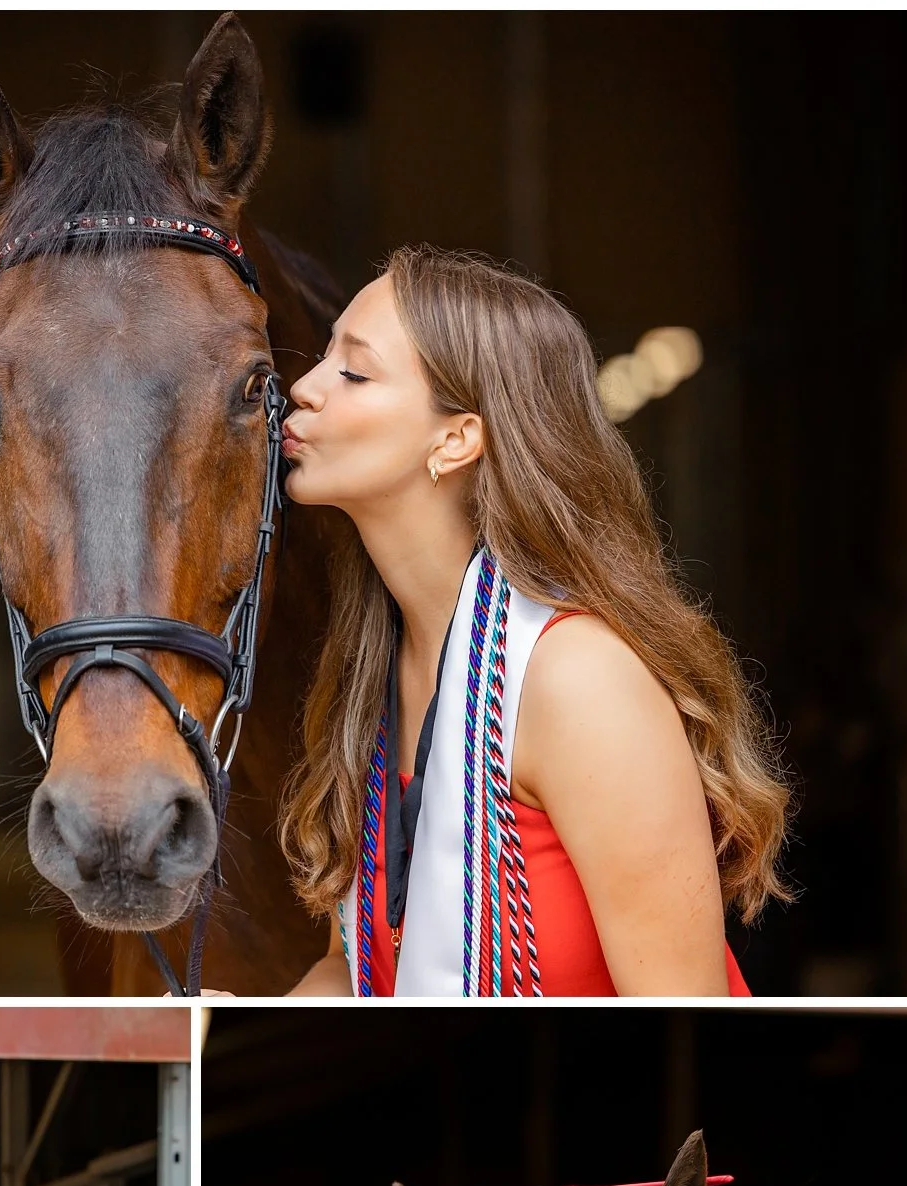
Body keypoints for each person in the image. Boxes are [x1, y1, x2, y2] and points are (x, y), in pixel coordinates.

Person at [277, 247, 791, 997]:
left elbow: (684, 1020)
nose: (304, 387)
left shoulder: (576, 680)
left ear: (456, 439)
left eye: (354, 372)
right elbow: (355, 969)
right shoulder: (378, 660)